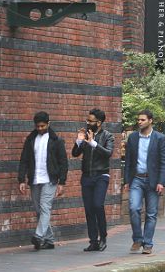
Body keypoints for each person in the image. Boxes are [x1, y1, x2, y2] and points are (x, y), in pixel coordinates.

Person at [17, 111, 68, 251]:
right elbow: (24, 160)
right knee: (39, 211)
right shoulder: (30, 139)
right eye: (37, 126)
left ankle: (38, 236)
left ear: (48, 124)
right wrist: (21, 179)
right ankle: (50, 240)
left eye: (42, 126)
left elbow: (64, 162)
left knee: (45, 208)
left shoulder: (55, 140)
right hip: (34, 179)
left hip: (50, 179)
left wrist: (62, 182)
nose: (39, 128)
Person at [123, 110, 165, 255]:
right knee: (133, 208)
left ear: (150, 121)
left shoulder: (160, 138)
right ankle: (137, 239)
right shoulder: (133, 138)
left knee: (151, 213)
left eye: (142, 120)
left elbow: (164, 162)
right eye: (138, 120)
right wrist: (127, 181)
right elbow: (129, 161)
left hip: (153, 180)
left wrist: (161, 182)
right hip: (136, 178)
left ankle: (148, 243)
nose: (139, 122)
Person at [72, 108, 114, 252]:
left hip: (101, 175)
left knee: (97, 205)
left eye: (90, 121)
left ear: (99, 122)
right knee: (89, 209)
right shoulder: (86, 135)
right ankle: (93, 241)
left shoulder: (108, 136)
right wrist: (79, 140)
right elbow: (75, 153)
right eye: (87, 120)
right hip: (87, 177)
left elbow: (108, 153)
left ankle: (103, 237)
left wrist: (93, 143)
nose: (87, 123)